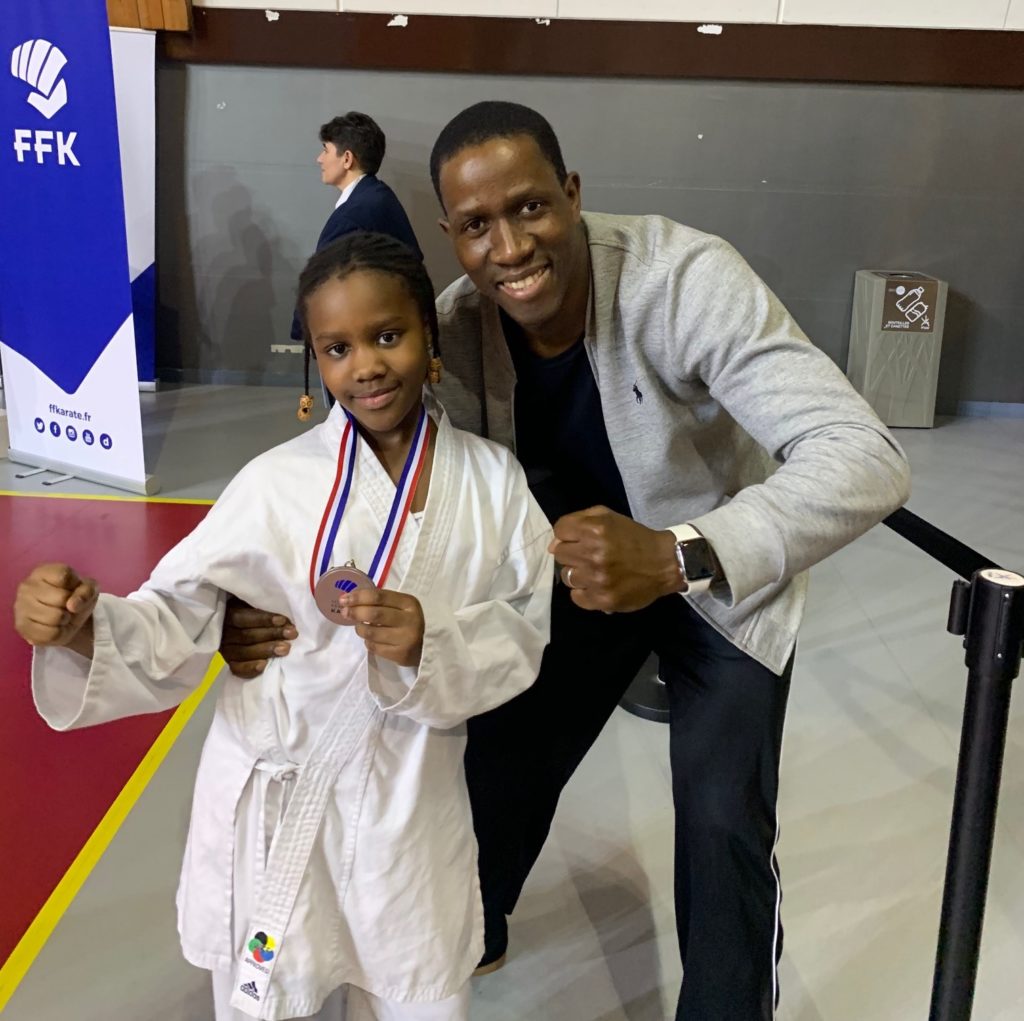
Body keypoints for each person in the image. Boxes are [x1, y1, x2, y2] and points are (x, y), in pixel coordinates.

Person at [221, 102, 912, 1019]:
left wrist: (677, 553)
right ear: (451, 235)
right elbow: (370, 482)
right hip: (568, 583)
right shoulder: (454, 331)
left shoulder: (684, 279)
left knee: (722, 818)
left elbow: (866, 455)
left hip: (716, 576)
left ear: (572, 193)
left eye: (531, 208)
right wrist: (265, 596)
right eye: (477, 225)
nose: (510, 247)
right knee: (486, 763)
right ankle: (473, 922)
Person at [15, 232, 553, 1021]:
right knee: (276, 995)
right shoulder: (272, 484)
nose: (365, 365)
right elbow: (175, 612)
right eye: (337, 348)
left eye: (388, 335)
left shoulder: (492, 482)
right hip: (281, 812)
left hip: (408, 803)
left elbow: (525, 624)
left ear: (430, 339)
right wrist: (81, 627)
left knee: (416, 990)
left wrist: (430, 643)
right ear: (316, 360)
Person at [290, 112, 423, 378]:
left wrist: (308, 331)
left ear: (347, 158)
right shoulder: (378, 197)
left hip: (359, 344)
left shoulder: (354, 214)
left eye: (326, 150)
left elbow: (326, 282)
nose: (319, 159)